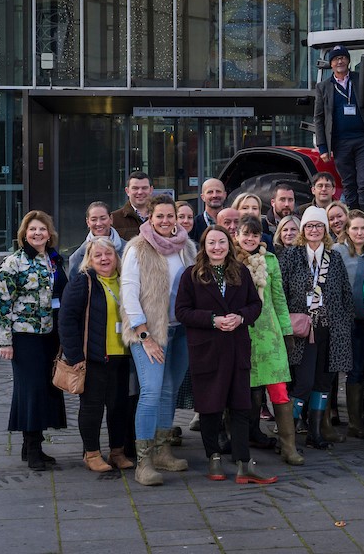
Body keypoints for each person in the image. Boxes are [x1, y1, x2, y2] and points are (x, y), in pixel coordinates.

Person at [176, 226, 276, 484]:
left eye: (222, 242)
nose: (217, 247)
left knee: (241, 406)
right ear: (204, 246)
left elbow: (255, 305)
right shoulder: (191, 275)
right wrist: (212, 320)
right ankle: (214, 459)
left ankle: (244, 463)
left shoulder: (241, 272)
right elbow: (182, 311)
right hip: (207, 351)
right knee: (210, 407)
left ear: (229, 245)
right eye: (211, 242)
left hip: (236, 348)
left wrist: (241, 317)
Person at [120, 194, 196, 485]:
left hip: (181, 330)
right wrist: (144, 336)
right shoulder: (137, 248)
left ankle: (163, 452)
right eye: (159, 216)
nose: (165, 221)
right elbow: (129, 294)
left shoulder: (186, 247)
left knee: (169, 391)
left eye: (170, 216)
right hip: (149, 333)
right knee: (151, 391)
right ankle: (144, 462)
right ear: (150, 219)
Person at [0, 211, 68, 471]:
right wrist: (4, 341)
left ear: (50, 233)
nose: (38, 233)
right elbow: (2, 303)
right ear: (24, 234)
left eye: (42, 229)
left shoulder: (54, 259)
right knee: (31, 390)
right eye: (33, 229)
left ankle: (31, 446)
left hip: (51, 334)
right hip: (25, 335)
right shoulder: (13, 262)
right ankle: (33, 448)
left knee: (46, 388)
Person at [278, 206, 356, 450]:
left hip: (331, 329)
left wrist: (345, 324)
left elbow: (345, 294)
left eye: (319, 226)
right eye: (310, 225)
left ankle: (315, 433)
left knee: (323, 382)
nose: (314, 230)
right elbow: (281, 293)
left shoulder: (334, 258)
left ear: (325, 229)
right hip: (303, 331)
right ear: (303, 229)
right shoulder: (291, 256)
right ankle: (287, 437)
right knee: (303, 383)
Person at [58, 236, 132, 471]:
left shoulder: (125, 280)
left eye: (108, 254)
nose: (104, 259)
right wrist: (75, 357)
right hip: (94, 358)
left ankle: (117, 452)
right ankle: (91, 454)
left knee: (119, 407)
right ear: (89, 259)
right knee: (93, 407)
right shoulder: (83, 282)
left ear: (116, 257)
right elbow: (66, 321)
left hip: (122, 356)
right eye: (97, 255)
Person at [234, 217, 303, 465]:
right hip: (241, 333)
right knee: (243, 391)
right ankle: (239, 444)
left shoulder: (271, 260)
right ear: (237, 235)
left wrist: (286, 331)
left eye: (255, 234)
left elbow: (279, 298)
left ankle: (289, 447)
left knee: (279, 390)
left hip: (270, 335)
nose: (250, 239)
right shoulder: (230, 260)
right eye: (246, 234)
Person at [314, 44, 364, 215]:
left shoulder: (360, 79)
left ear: (349, 61)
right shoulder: (323, 87)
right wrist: (323, 147)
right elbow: (319, 118)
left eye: (343, 58)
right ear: (331, 64)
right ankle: (353, 217)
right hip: (340, 142)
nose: (340, 61)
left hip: (363, 139)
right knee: (349, 183)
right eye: (336, 59)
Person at [332, 210, 364, 441]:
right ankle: (354, 423)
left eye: (363, 228)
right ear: (347, 230)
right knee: (353, 369)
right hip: (345, 320)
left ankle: (359, 413)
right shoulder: (337, 252)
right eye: (355, 228)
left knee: (362, 368)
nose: (359, 232)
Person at [68, 201, 127, 276]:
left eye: (103, 218)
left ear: (111, 219)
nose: (98, 223)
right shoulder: (76, 258)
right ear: (88, 222)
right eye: (94, 219)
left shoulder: (129, 250)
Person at [112, 171, 154, 240]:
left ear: (151, 190)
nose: (140, 192)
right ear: (127, 191)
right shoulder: (114, 219)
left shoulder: (163, 217)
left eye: (144, 188)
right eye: (135, 188)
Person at [190, 178, 227, 242]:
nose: (214, 195)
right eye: (210, 192)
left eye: (218, 191)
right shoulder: (194, 225)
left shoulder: (233, 222)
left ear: (225, 195)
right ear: (203, 197)